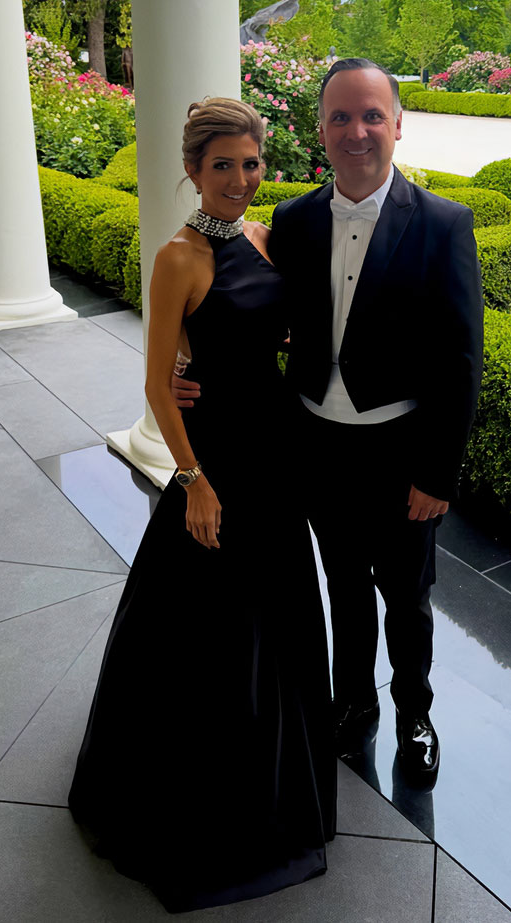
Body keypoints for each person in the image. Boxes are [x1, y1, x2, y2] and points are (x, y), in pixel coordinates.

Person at [174, 60, 484, 785]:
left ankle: (413, 710)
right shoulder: (294, 220)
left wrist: (438, 474)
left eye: (372, 115)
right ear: (321, 129)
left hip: (401, 452)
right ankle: (354, 704)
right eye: (341, 117)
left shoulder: (443, 224)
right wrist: (188, 370)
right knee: (342, 586)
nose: (357, 131)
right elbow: (241, 308)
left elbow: (461, 361)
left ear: (398, 124)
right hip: (313, 446)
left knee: (406, 598)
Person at [68, 97, 336, 914]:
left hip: (276, 449)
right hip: (217, 459)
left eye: (251, 164)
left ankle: (283, 771)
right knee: (209, 629)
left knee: (279, 613)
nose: (241, 180)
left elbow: (269, 333)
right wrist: (194, 481)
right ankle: (204, 795)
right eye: (222, 166)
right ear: (192, 171)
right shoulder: (178, 256)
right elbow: (156, 383)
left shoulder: (264, 235)